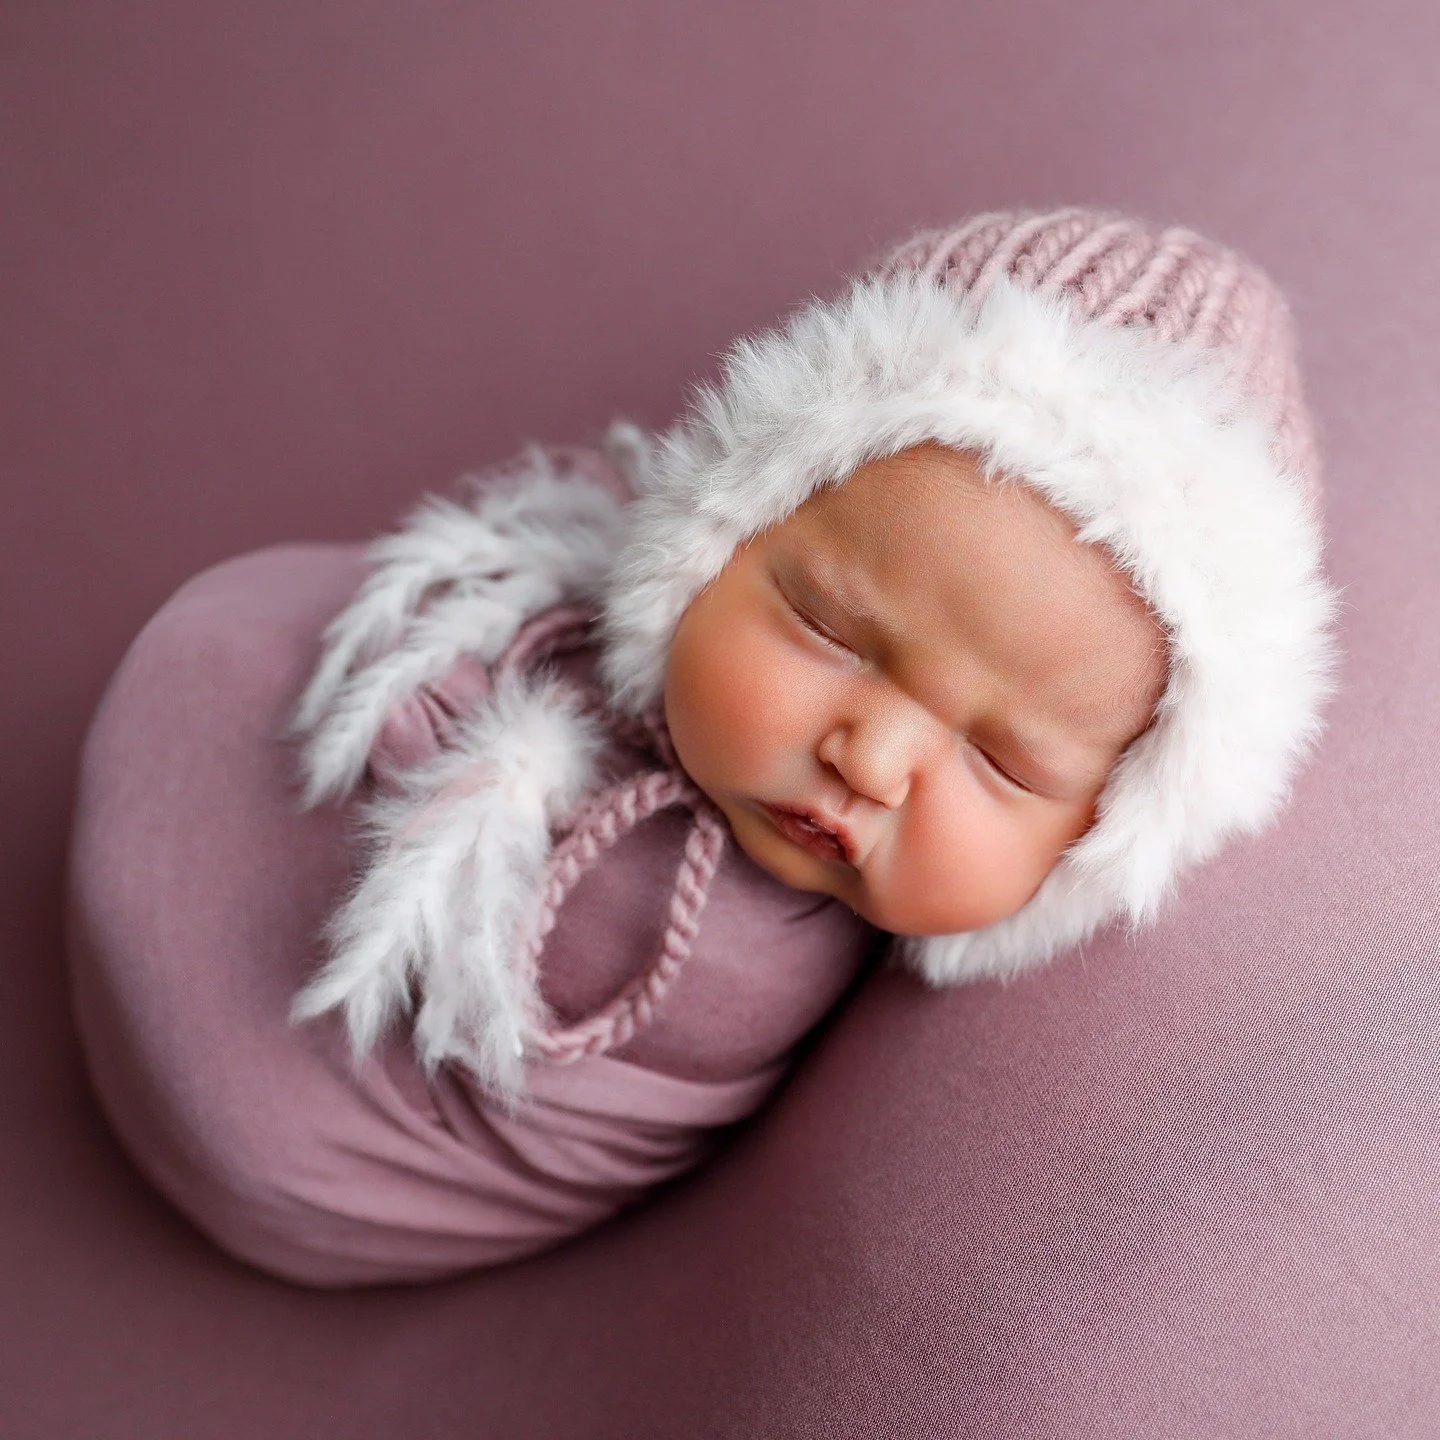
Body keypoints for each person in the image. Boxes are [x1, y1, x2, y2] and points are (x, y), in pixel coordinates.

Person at [66, 206, 1339, 1285]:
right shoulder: (556, 616)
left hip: (298, 1170)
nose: (872, 757)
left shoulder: (724, 964)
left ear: (1112, 832)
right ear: (714, 532)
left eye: (1003, 762)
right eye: (832, 629)